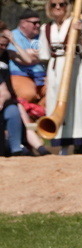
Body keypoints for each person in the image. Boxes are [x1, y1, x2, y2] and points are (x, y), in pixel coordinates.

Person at [38, 0, 82, 150]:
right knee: (54, 104)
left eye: (61, 4)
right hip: (55, 69)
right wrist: (46, 78)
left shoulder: (78, 22)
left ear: (67, 6)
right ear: (49, 7)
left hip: (74, 67)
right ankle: (60, 146)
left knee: (75, 103)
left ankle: (78, 146)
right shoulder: (46, 28)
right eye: (54, 5)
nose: (58, 7)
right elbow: (44, 54)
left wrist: (80, 35)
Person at [0, 22, 48, 156]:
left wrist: (13, 42)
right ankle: (34, 148)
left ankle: (37, 149)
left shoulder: (6, 53)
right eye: (1, 44)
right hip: (3, 97)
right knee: (19, 113)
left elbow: (26, 59)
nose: (3, 47)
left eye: (5, 45)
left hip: (9, 96)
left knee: (19, 113)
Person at [7, 10, 46, 103]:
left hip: (42, 76)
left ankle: (39, 115)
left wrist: (28, 53)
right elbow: (22, 60)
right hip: (19, 75)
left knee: (55, 93)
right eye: (34, 23)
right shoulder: (13, 36)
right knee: (28, 94)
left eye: (39, 22)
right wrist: (40, 56)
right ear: (23, 23)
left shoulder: (41, 37)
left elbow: (48, 55)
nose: (38, 25)